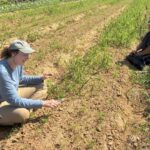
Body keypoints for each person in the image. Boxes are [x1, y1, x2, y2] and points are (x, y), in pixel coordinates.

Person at [0, 40, 61, 126]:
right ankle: (26, 107)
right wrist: (42, 103)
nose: (28, 57)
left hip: (10, 97)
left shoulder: (18, 63)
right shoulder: (2, 71)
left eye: (28, 54)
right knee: (22, 114)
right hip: (4, 102)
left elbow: (20, 79)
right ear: (13, 53)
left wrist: (40, 78)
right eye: (25, 54)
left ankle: (26, 105)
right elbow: (13, 99)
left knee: (41, 85)